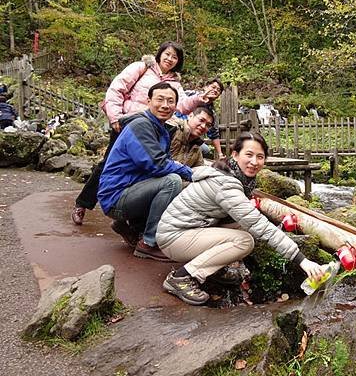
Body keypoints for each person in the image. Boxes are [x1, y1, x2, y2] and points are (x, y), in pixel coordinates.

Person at [155, 132, 326, 305]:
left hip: (192, 229)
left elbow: (248, 220)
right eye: (249, 155)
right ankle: (182, 277)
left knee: (243, 227)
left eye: (260, 157)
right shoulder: (225, 184)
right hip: (174, 238)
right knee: (244, 241)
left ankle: (213, 268)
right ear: (235, 155)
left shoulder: (235, 177)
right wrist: (302, 260)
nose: (254, 162)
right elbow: (259, 225)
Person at [71, 41, 213, 226]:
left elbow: (181, 105)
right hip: (127, 123)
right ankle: (83, 204)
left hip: (157, 126)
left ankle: (131, 212)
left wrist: (198, 99)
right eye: (167, 54)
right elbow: (117, 89)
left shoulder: (174, 83)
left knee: (147, 167)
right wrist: (115, 117)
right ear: (160, 54)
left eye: (175, 57)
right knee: (108, 164)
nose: (170, 59)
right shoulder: (142, 68)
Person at [98, 82, 193, 261]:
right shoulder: (142, 126)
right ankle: (148, 243)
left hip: (129, 190)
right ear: (148, 101)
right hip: (116, 196)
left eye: (170, 101)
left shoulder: (160, 128)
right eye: (160, 99)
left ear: (175, 106)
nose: (165, 105)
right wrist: (189, 172)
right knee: (172, 181)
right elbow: (157, 165)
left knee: (174, 181)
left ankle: (129, 226)